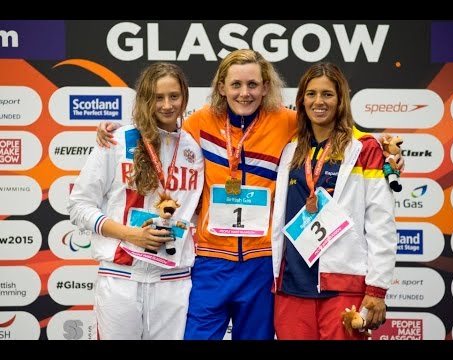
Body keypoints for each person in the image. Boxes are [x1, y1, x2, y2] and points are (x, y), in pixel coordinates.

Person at [96, 49, 404, 340]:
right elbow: (162, 137)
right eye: (236, 84)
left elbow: (331, 127)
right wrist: (119, 129)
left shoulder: (286, 121)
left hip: (260, 264)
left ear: (266, 86)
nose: (245, 92)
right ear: (221, 87)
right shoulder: (199, 123)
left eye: (253, 84)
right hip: (211, 262)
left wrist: (381, 146)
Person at [68, 62, 204, 340]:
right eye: (158, 97)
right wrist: (131, 235)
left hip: (174, 281)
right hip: (121, 277)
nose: (167, 105)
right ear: (144, 98)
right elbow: (79, 205)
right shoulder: (116, 140)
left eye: (174, 96)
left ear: (185, 98)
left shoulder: (196, 147)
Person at [270, 62, 397, 340]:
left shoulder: (364, 149)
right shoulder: (291, 149)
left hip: (342, 285)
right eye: (311, 94)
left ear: (341, 100)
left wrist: (377, 289)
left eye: (327, 94)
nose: (319, 101)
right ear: (301, 100)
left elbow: (381, 224)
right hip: (291, 286)